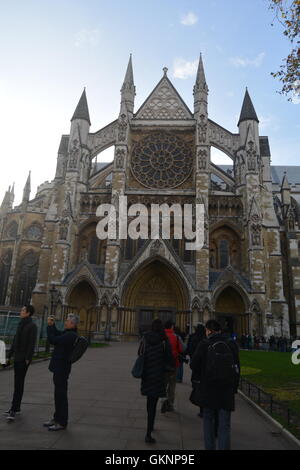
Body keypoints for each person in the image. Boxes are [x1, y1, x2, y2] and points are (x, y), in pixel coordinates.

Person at [190, 319, 240, 450]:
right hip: (226, 391)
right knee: (224, 425)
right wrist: (234, 388)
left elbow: (193, 365)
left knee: (208, 421)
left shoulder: (205, 343)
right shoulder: (231, 344)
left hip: (208, 389)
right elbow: (237, 369)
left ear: (208, 330)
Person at [139, 319, 173, 444]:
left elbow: (140, 353)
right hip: (159, 375)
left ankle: (150, 425)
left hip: (147, 374)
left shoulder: (145, 338)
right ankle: (149, 430)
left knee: (149, 401)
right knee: (153, 401)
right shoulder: (164, 340)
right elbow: (169, 358)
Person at [44, 313, 79, 431]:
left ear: (72, 324)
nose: (65, 322)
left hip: (62, 369)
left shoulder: (71, 336)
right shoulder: (68, 333)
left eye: (67, 321)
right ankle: (57, 418)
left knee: (61, 395)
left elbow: (53, 339)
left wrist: (49, 327)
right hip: (60, 368)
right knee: (58, 394)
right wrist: (52, 325)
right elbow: (58, 333)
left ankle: (62, 422)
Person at [4, 305, 37, 421]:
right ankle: (16, 407)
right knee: (17, 383)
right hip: (17, 357)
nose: (21, 311)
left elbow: (32, 343)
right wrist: (9, 356)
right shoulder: (20, 324)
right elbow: (15, 340)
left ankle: (14, 409)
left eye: (23, 310)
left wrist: (28, 358)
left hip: (23, 359)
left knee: (19, 384)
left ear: (28, 313)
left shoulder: (32, 326)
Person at [161, 320, 183, 413]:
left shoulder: (160, 336)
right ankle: (170, 404)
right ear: (171, 327)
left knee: (163, 384)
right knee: (172, 385)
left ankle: (162, 401)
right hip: (173, 364)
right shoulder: (176, 337)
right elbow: (182, 349)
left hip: (162, 365)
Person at [187, 324, 206, 417]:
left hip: (196, 364)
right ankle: (204, 408)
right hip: (205, 367)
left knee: (197, 385)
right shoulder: (206, 340)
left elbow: (190, 349)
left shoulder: (193, 338)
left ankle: (201, 406)